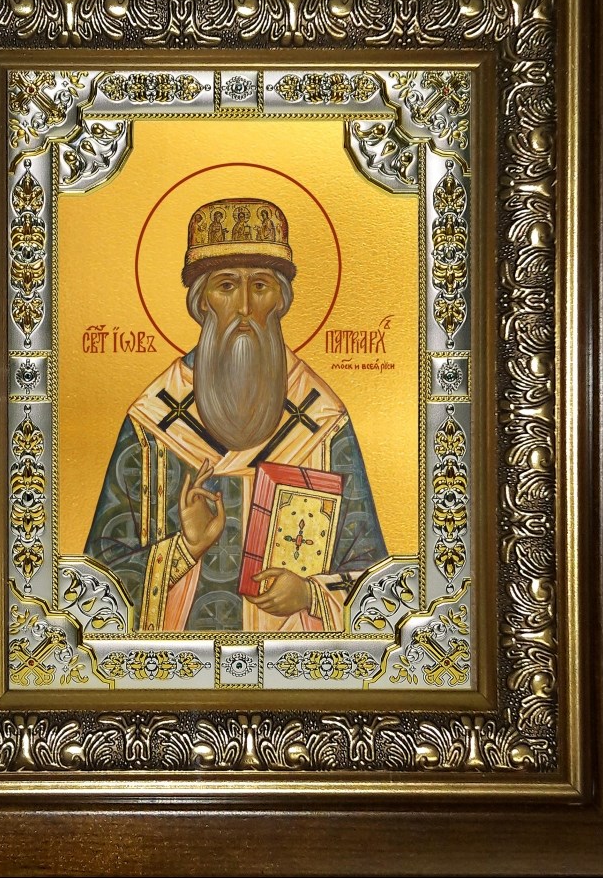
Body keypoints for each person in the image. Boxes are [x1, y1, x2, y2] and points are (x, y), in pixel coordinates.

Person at [85, 196, 387, 632]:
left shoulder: (321, 419)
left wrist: (311, 595)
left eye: (260, 286)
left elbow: (376, 578)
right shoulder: (153, 420)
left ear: (280, 301)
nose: (244, 305)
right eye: (226, 286)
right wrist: (186, 549)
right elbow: (97, 584)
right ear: (202, 302)